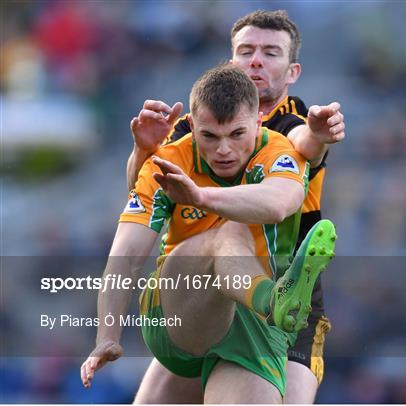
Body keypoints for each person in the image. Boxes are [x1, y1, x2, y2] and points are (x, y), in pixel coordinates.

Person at [80, 64, 337, 403]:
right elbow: (124, 258)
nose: (223, 150)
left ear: (259, 122)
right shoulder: (167, 165)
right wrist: (106, 336)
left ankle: (271, 306)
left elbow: (279, 203)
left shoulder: (280, 151)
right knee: (227, 234)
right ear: (192, 126)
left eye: (236, 134)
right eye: (209, 137)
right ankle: (274, 300)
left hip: (252, 330)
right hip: (178, 312)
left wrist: (200, 197)